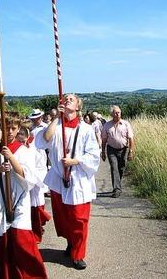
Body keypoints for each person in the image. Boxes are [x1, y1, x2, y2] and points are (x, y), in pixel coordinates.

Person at [0, 115, 48, 279]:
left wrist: (12, 158)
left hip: (18, 203)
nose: (9, 132)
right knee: (0, 248)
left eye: (13, 128)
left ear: (18, 130)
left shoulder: (24, 151)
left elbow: (29, 177)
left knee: (22, 245)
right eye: (6, 127)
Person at [36, 94, 100, 270]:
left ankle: (78, 255)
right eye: (65, 98)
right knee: (63, 218)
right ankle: (71, 242)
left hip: (78, 180)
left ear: (78, 107)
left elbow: (94, 155)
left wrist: (75, 161)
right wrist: (57, 117)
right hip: (58, 180)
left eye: (71, 99)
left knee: (79, 219)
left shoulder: (86, 129)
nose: (67, 99)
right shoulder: (57, 126)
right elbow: (44, 140)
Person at [19, 117, 51, 243]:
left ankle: (36, 234)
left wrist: (33, 179)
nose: (20, 136)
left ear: (28, 134)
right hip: (21, 183)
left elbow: (40, 165)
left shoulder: (35, 146)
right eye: (19, 133)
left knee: (35, 210)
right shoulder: (17, 147)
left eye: (22, 133)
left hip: (34, 183)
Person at [100, 105, 136, 198]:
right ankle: (117, 189)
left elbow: (131, 138)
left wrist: (131, 151)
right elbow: (104, 140)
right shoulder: (107, 125)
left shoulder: (126, 124)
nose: (117, 114)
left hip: (124, 149)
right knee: (114, 167)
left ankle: (118, 184)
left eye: (119, 112)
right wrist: (103, 152)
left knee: (121, 168)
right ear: (112, 114)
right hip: (111, 149)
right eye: (115, 112)